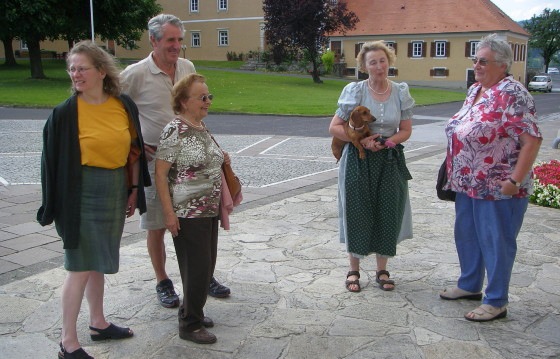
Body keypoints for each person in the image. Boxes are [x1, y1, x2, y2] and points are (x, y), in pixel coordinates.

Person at [37, 40, 150, 359]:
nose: (75, 74)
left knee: (97, 259)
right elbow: (51, 166)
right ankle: (67, 342)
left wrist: (131, 190)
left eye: (81, 68)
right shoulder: (64, 113)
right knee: (80, 265)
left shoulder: (123, 103)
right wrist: (53, 207)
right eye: (71, 68)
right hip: (79, 192)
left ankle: (98, 323)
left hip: (113, 187)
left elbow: (133, 149)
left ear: (101, 71)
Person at [121, 14, 230, 308]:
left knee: (199, 222)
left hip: (191, 163)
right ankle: (163, 281)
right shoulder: (135, 74)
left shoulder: (187, 67)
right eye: (171, 40)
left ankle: (202, 277)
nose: (177, 46)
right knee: (157, 223)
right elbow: (116, 109)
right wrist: (133, 141)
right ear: (153, 40)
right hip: (157, 160)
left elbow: (196, 103)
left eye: (180, 40)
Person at [439, 34, 542, 322]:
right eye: (475, 60)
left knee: (496, 241)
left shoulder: (513, 94)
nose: (476, 65)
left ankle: (496, 300)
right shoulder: (476, 90)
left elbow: (531, 140)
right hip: (467, 182)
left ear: (502, 64)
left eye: (483, 61)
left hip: (498, 185)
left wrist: (515, 181)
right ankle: (469, 284)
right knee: (468, 235)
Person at [329, 41, 414, 292]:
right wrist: (363, 141)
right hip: (358, 159)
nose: (379, 66)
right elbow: (334, 127)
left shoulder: (400, 92)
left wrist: (388, 142)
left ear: (389, 62)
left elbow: (406, 130)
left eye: (382, 60)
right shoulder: (355, 91)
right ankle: (353, 270)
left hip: (389, 159)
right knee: (357, 209)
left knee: (388, 210)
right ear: (365, 67)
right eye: (373, 62)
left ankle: (382, 269)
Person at [155, 73, 229, 344]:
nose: (208, 101)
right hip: (188, 212)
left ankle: (192, 310)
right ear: (184, 101)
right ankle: (190, 325)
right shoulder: (176, 129)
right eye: (202, 97)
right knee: (197, 267)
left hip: (208, 210)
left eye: (209, 96)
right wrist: (169, 214)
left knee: (204, 266)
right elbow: (160, 173)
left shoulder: (199, 126)